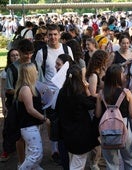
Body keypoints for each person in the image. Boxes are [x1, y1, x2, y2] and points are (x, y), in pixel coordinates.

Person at [35, 23, 73, 164]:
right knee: (52, 122)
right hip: (50, 94)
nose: (53, 37)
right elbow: (38, 75)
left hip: (66, 92)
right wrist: (42, 93)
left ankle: (65, 148)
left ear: (59, 35)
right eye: (50, 35)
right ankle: (54, 150)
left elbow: (72, 68)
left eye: (55, 34)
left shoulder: (67, 49)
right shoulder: (41, 53)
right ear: (46, 37)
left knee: (66, 120)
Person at [55, 64, 99, 170]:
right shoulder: (79, 94)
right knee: (77, 165)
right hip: (81, 136)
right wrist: (87, 89)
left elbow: (57, 110)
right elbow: (92, 104)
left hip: (67, 133)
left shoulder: (62, 92)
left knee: (73, 162)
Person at [96, 64, 132, 170]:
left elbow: (97, 114)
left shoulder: (101, 94)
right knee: (130, 159)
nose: (124, 75)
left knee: (111, 162)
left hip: (106, 129)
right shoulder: (126, 93)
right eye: (122, 73)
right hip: (124, 127)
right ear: (117, 77)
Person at [15, 63, 50, 170]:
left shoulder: (29, 87)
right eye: (35, 70)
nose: (37, 72)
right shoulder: (25, 89)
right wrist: (44, 118)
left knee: (32, 154)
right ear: (30, 73)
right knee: (36, 153)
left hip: (31, 125)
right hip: (28, 126)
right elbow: (30, 109)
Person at [0, 49, 19, 162]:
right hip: (11, 101)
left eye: (17, 55)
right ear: (9, 58)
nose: (15, 57)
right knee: (8, 127)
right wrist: (3, 105)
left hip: (22, 100)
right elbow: (2, 90)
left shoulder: (23, 68)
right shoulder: (5, 71)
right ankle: (7, 150)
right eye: (12, 56)